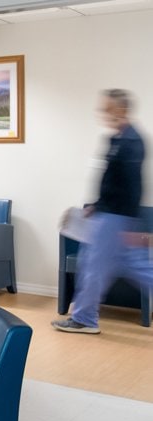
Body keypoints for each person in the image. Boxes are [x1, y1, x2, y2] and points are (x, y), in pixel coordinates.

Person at [52, 89, 153, 334]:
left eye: (107, 108)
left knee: (93, 265)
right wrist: (95, 205)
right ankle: (85, 317)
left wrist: (129, 224)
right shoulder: (116, 139)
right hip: (108, 214)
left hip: (116, 217)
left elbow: (133, 186)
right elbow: (111, 180)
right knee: (131, 265)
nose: (103, 113)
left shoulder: (132, 141)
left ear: (121, 110)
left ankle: (85, 319)